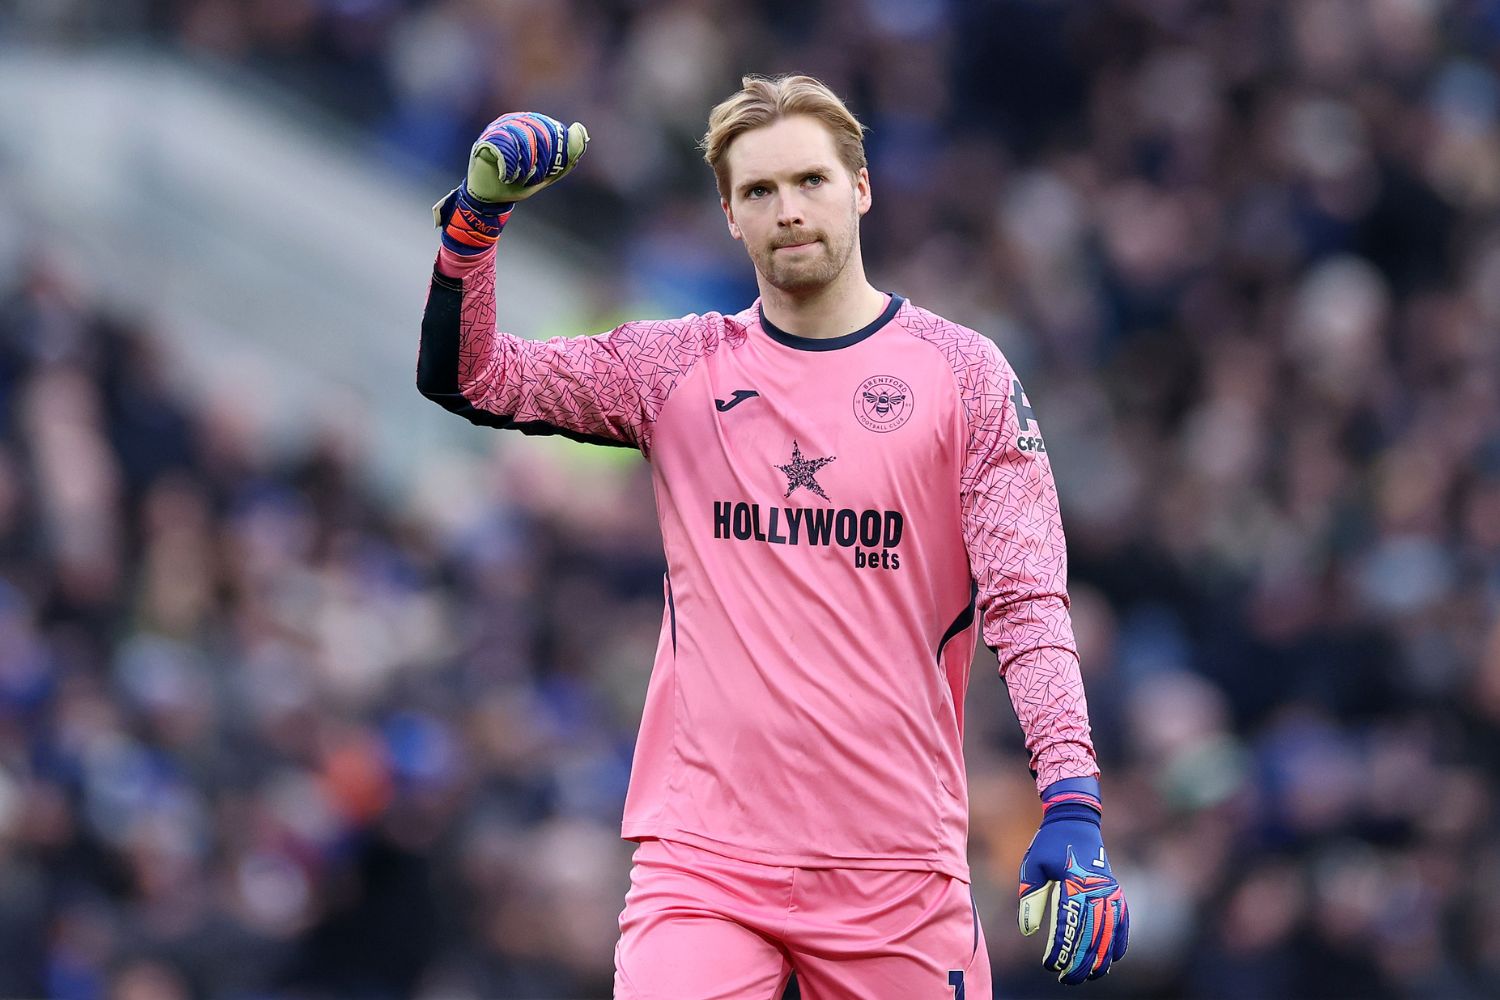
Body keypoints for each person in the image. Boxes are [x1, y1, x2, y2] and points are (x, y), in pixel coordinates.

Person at [417, 75, 1128, 999]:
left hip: (896, 870)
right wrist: (475, 224)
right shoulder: (673, 368)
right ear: (729, 214)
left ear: (861, 188)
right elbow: (469, 378)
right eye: (759, 192)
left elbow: (1028, 602)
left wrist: (1072, 800)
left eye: (810, 182)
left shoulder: (964, 376)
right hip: (704, 865)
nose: (788, 211)